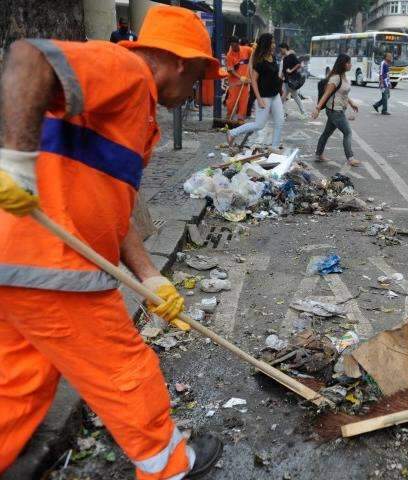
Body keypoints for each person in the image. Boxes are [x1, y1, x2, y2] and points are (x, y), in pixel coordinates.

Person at [0, 6, 227, 479]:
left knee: (18, 383)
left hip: (18, 266)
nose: (194, 94)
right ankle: (170, 467)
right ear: (181, 62)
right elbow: (29, 57)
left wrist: (150, 278)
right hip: (55, 264)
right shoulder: (127, 70)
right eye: (200, 77)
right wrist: (16, 165)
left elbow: (115, 213)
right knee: (127, 371)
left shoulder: (137, 113)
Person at [227, 33, 284, 151]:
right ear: (266, 44)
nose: (274, 45)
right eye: (272, 42)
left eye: (274, 42)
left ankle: (274, 147)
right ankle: (233, 132)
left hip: (275, 95)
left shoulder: (272, 57)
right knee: (259, 125)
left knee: (280, 121)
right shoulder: (260, 61)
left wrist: (280, 87)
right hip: (264, 96)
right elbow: (253, 80)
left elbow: (274, 76)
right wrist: (258, 99)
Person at [311, 54, 360, 167]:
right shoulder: (335, 78)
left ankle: (318, 155)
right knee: (347, 132)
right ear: (343, 64)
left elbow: (342, 93)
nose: (350, 65)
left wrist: (351, 103)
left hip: (338, 110)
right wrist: (317, 108)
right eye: (348, 63)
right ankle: (350, 158)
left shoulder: (343, 76)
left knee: (327, 133)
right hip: (335, 111)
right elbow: (327, 94)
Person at [225, 36, 252, 120]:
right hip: (234, 82)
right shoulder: (229, 55)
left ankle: (240, 120)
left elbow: (254, 55)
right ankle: (229, 117)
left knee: (243, 102)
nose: (234, 48)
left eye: (235, 46)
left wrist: (255, 47)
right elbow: (230, 70)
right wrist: (240, 77)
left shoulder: (246, 49)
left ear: (238, 44)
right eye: (232, 46)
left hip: (245, 82)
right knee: (231, 102)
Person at [279, 42, 305, 116]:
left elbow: (298, 64)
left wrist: (291, 70)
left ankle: (303, 112)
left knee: (295, 97)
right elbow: (283, 71)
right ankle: (284, 113)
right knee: (283, 98)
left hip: (292, 81)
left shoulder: (291, 56)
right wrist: (279, 79)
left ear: (284, 48)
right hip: (286, 81)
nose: (280, 51)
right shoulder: (284, 58)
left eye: (281, 49)